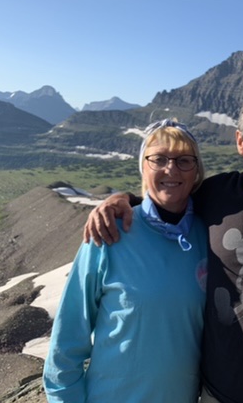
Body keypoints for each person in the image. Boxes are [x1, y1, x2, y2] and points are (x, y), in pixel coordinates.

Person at [84, 89, 243, 403]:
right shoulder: (216, 194)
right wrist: (123, 201)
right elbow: (168, 199)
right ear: (241, 142)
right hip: (218, 394)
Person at [43, 119, 208, 402]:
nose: (171, 169)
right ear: (143, 167)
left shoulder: (208, 234)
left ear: (196, 172)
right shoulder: (109, 233)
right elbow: (67, 340)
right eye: (158, 159)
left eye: (184, 160)